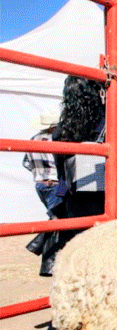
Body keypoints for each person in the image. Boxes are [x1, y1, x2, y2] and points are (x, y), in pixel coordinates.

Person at [53, 76, 117, 221]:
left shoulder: (62, 128)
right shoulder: (116, 122)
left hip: (76, 200)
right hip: (116, 198)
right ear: (99, 93)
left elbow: (61, 168)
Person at [22, 112, 64, 276]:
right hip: (56, 183)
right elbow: (60, 164)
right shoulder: (55, 139)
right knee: (58, 219)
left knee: (56, 216)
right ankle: (47, 262)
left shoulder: (33, 139)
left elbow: (26, 163)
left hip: (40, 184)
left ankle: (37, 245)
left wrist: (39, 173)